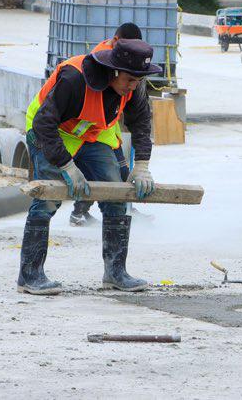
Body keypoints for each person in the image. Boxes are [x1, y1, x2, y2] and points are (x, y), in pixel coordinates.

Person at [20, 32, 162, 295]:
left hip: (88, 134)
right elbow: (43, 124)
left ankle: (115, 273)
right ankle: (29, 276)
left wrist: (142, 165)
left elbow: (141, 123)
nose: (133, 87)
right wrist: (67, 166)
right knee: (48, 198)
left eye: (138, 80)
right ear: (114, 71)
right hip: (49, 131)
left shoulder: (133, 84)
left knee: (116, 195)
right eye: (130, 80)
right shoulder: (74, 78)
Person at [69, 23, 140, 227]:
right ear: (116, 41)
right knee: (102, 175)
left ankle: (125, 208)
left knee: (119, 174)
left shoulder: (120, 59)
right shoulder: (104, 61)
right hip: (96, 132)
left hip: (108, 130)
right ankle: (80, 211)